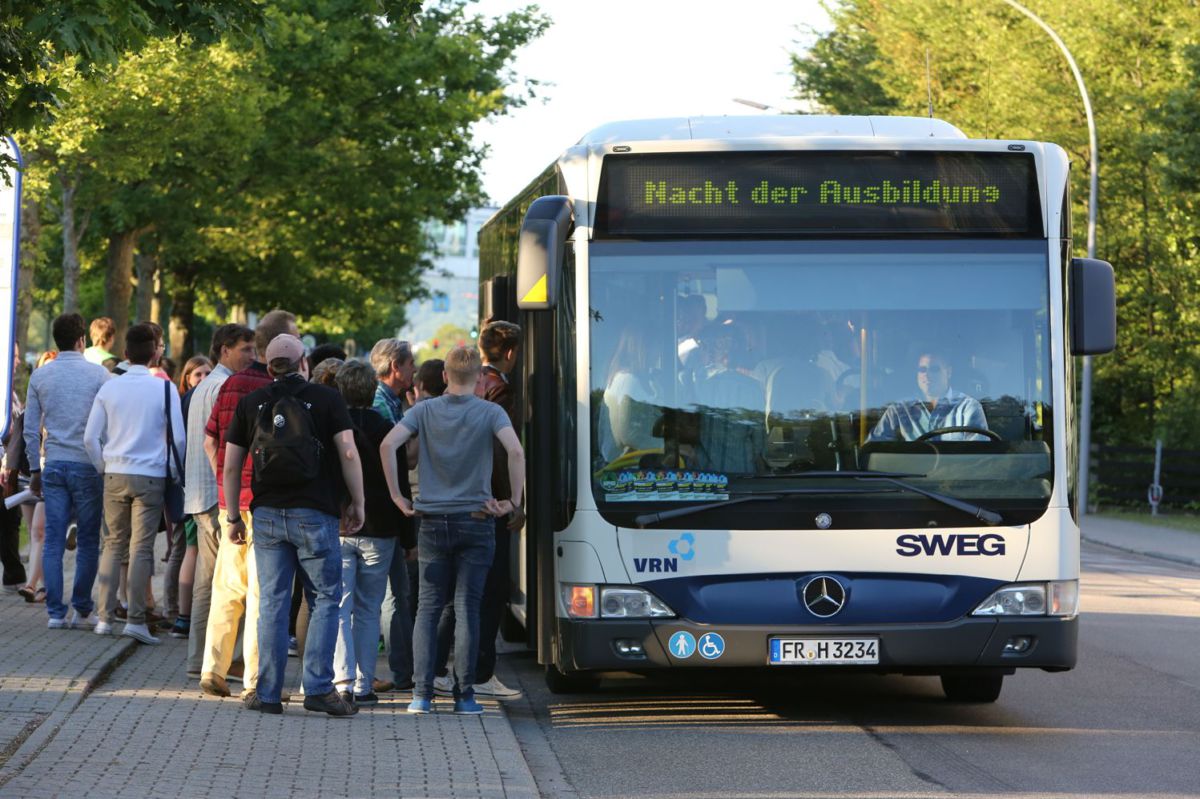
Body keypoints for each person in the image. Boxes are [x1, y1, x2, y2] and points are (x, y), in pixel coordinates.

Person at [221, 333, 365, 717]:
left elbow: (232, 464)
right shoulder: (327, 399)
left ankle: (267, 693)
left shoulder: (253, 403)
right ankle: (318, 687)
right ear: (303, 364)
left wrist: (234, 515)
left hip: (266, 515)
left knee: (272, 602)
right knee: (324, 599)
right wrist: (357, 502)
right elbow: (348, 452)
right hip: (316, 514)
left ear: (268, 367)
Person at [380, 345, 525, 716]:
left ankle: (421, 696)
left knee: (428, 608)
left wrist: (398, 496)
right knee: (468, 608)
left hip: (431, 520)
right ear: (479, 377)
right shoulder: (491, 411)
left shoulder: (424, 410)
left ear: (445, 376)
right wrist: (513, 501)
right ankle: (464, 696)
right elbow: (516, 452)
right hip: (476, 520)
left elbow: (389, 443)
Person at [200, 310, 297, 699]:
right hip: (268, 503)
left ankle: (213, 668)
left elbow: (211, 440)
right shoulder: (283, 392)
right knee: (263, 594)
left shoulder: (231, 385)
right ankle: (255, 679)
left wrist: (225, 479)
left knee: (227, 590)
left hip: (231, 504)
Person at [433, 321, 523, 702]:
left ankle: (437, 670)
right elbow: (507, 453)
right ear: (512, 353)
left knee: (450, 596)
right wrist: (511, 503)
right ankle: (480, 672)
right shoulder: (500, 390)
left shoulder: (465, 385)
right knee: (489, 592)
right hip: (487, 505)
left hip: (450, 501)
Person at [84, 323, 185, 644]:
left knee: (112, 544)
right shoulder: (165, 389)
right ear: (155, 353)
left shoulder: (109, 387)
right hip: (151, 475)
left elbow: (90, 438)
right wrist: (172, 470)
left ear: (125, 354)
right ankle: (136, 619)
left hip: (114, 472)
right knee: (141, 547)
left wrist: (104, 466)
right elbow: (179, 440)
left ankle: (103, 617)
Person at [24, 313, 110, 629]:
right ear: (81, 340)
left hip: (55, 464)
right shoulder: (99, 375)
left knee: (53, 541)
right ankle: (82, 606)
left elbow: (31, 430)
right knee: (88, 540)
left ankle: (55, 613)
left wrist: (35, 468)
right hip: (87, 465)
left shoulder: (40, 377)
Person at [331, 359, 409, 706]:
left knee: (339, 606)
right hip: (381, 529)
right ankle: (364, 684)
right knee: (368, 609)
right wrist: (408, 537)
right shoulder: (387, 429)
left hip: (339, 527)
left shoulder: (332, 428)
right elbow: (401, 484)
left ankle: (342, 680)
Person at [180, 326, 254, 665]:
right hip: (217, 494)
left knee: (207, 581)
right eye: (245, 349)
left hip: (200, 492)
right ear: (224, 350)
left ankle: (200, 657)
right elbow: (222, 445)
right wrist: (229, 489)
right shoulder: (225, 385)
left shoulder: (204, 386)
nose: (251, 356)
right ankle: (222, 659)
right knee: (225, 584)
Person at [369, 337, 416, 694]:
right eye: (410, 363)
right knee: (392, 597)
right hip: (385, 513)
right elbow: (402, 460)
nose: (414, 369)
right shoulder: (384, 408)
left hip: (384, 512)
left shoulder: (390, 402)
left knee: (394, 596)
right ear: (396, 367)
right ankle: (400, 673)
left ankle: (401, 671)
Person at [868, 351, 990, 442]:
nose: (927, 374)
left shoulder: (968, 408)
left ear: (948, 372)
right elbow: (874, 450)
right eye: (922, 369)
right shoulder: (898, 410)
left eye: (934, 369)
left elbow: (977, 458)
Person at [602, 327, 662, 458]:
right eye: (656, 346)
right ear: (643, 349)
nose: (659, 351)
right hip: (627, 467)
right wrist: (668, 447)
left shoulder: (624, 378)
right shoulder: (627, 380)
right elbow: (628, 435)